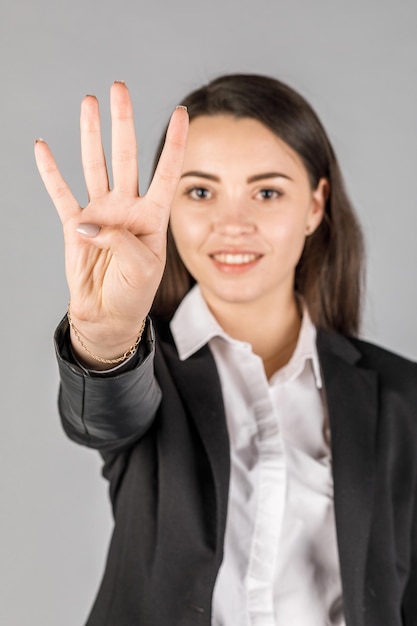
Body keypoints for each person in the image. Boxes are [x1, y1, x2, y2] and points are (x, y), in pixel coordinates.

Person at [35, 75, 417, 626]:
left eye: (266, 192)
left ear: (315, 205)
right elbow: (100, 416)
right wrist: (105, 334)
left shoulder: (399, 397)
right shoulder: (147, 366)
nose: (232, 225)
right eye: (200, 192)